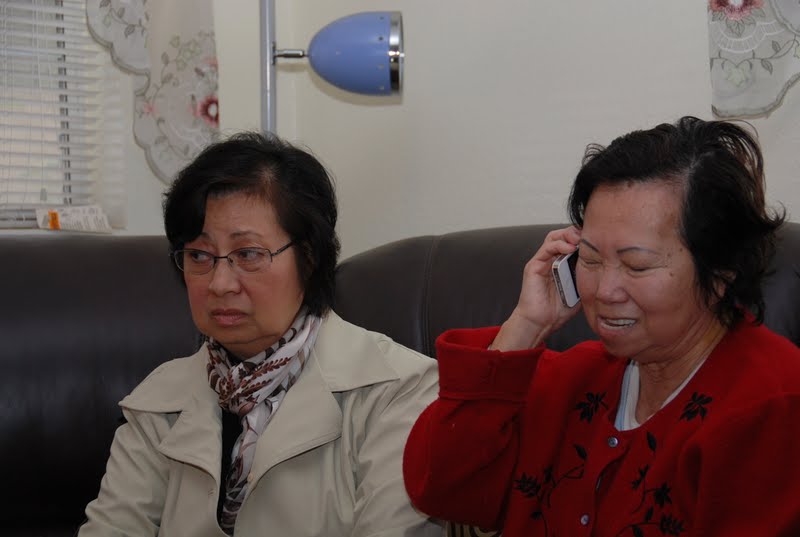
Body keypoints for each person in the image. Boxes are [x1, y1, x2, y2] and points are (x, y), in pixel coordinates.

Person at [403, 117, 800, 536]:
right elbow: (440, 489)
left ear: (720, 272)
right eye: (590, 260)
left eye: (637, 265)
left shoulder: (773, 407)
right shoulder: (574, 378)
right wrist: (527, 324)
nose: (604, 290)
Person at [79, 133, 443, 536]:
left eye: (248, 254)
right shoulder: (158, 402)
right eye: (199, 255)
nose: (219, 283)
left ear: (309, 257)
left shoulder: (399, 392)